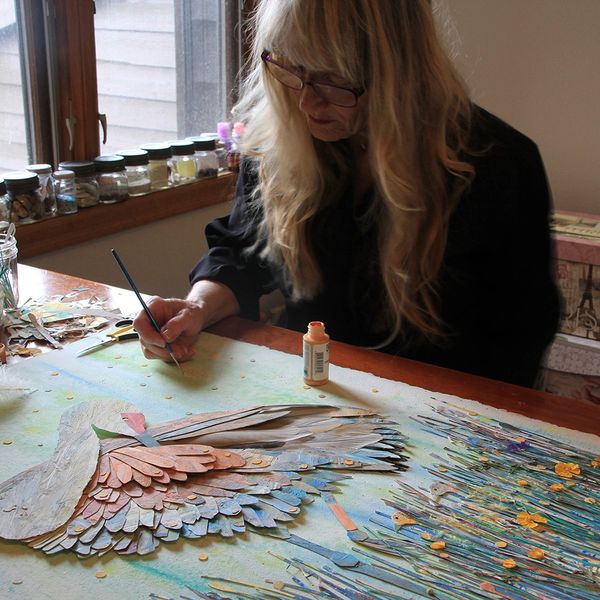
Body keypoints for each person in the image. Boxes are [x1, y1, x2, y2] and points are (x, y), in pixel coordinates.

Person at [134, 0, 560, 388]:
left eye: (334, 80)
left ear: (400, 72)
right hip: (312, 390)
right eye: (291, 69)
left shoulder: (497, 165)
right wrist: (198, 307)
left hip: (444, 415)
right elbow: (242, 251)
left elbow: (518, 339)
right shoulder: (281, 138)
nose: (307, 104)